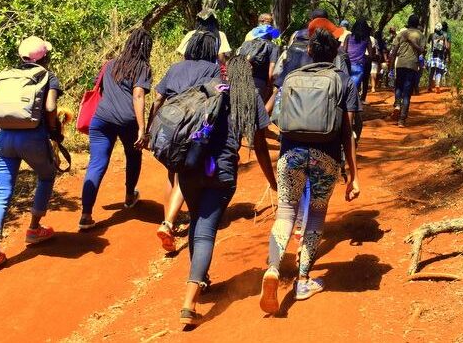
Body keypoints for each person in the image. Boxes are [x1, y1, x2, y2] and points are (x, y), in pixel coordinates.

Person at [147, 32, 276, 325]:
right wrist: (272, 181)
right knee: (206, 230)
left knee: (196, 222)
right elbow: (260, 145)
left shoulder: (205, 88)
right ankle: (189, 302)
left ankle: (200, 277)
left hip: (190, 166)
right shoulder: (249, 97)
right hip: (221, 171)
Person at [259, 28, 361, 314]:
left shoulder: (291, 78)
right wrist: (352, 173)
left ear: (310, 52)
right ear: (335, 54)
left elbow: (278, 119)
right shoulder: (343, 81)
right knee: (315, 214)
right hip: (325, 157)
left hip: (290, 154)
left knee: (286, 213)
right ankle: (302, 280)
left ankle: (273, 267)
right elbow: (347, 132)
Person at [0, 37, 62, 271]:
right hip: (32, 137)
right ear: (44, 57)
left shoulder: (7, 74)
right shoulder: (48, 76)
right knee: (46, 176)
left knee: (2, 192)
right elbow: (49, 108)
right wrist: (55, 130)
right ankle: (34, 228)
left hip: (3, 137)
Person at [78, 29, 153, 230]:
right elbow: (138, 96)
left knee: (97, 163)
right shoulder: (142, 67)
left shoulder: (109, 64)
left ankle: (86, 214)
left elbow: (99, 88)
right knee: (133, 155)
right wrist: (142, 128)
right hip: (127, 121)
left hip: (101, 119)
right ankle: (129, 197)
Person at [389, 14, 425, 128]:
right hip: (412, 66)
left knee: (398, 86)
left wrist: (391, 66)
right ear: (417, 23)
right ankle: (402, 119)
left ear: (408, 23)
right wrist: (414, 44)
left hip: (400, 64)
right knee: (407, 92)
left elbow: (394, 51)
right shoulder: (420, 35)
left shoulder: (401, 34)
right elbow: (422, 51)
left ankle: (397, 105)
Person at [237, 23, 280, 103]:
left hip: (242, 80)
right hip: (260, 83)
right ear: (270, 35)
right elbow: (272, 69)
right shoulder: (273, 47)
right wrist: (269, 86)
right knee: (257, 109)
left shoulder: (246, 43)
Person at [345, 19, 374, 99]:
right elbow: (371, 55)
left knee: (347, 87)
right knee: (354, 88)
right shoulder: (367, 39)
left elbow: (344, 51)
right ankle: (354, 105)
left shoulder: (348, 37)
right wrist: (364, 56)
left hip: (347, 65)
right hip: (359, 65)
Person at [427, 23, 450, 93]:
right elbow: (446, 47)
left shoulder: (432, 35)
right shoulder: (444, 35)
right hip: (440, 56)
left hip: (433, 55)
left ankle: (429, 87)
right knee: (439, 71)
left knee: (432, 71)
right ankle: (437, 84)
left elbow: (428, 42)